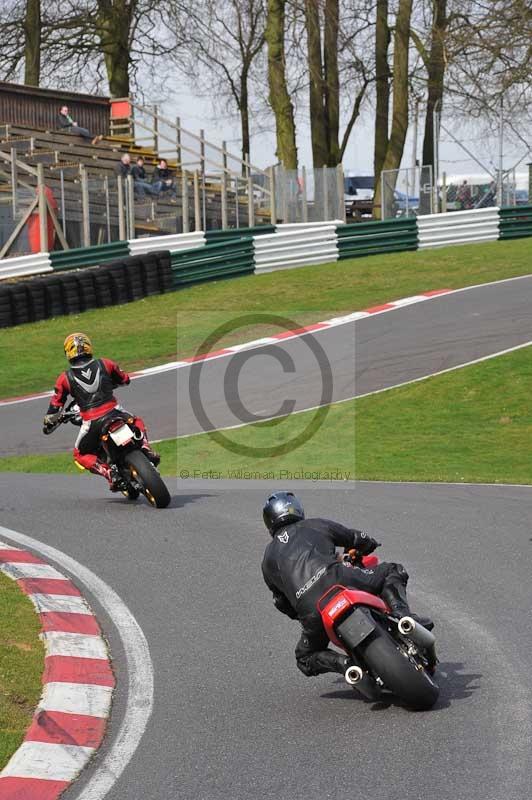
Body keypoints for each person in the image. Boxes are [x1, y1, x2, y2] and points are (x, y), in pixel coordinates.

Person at [261, 491, 433, 679]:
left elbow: (280, 602)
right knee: (393, 571)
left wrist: (301, 615)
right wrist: (369, 543)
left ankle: (345, 664)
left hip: (311, 609)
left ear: (269, 521)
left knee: (304, 657)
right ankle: (403, 617)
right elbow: (355, 537)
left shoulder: (267, 561)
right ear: (296, 509)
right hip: (338, 578)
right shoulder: (313, 525)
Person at [42, 333, 160, 490]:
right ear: (89, 347)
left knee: (79, 454)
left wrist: (49, 422)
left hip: (92, 421)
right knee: (137, 421)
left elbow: (55, 407)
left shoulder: (64, 378)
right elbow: (125, 379)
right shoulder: (106, 363)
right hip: (115, 412)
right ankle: (146, 448)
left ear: (68, 353)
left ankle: (109, 472)